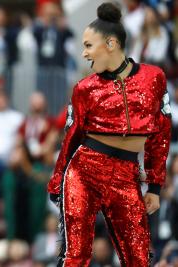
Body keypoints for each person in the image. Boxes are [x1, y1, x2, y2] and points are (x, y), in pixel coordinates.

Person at [46, 3, 170, 266]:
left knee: (138, 257)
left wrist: (155, 186)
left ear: (111, 44)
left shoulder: (153, 77)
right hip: (84, 171)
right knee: (76, 256)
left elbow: (161, 134)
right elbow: (72, 135)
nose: (84, 53)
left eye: (89, 45)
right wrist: (57, 180)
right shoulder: (84, 88)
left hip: (126, 174)